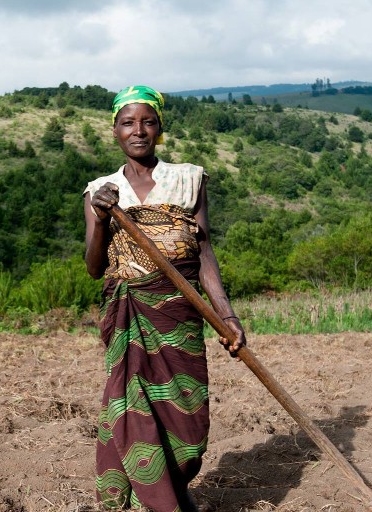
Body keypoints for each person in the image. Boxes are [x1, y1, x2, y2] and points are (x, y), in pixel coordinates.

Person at [83, 85, 247, 511]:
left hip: (181, 314)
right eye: (127, 123)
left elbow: (205, 252)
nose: (138, 131)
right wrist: (101, 219)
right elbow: (94, 266)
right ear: (115, 130)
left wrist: (226, 314)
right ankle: (154, 501)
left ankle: (172, 486)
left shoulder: (189, 179)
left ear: (160, 128)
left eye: (148, 122)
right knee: (131, 406)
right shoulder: (101, 189)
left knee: (188, 420)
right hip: (129, 314)